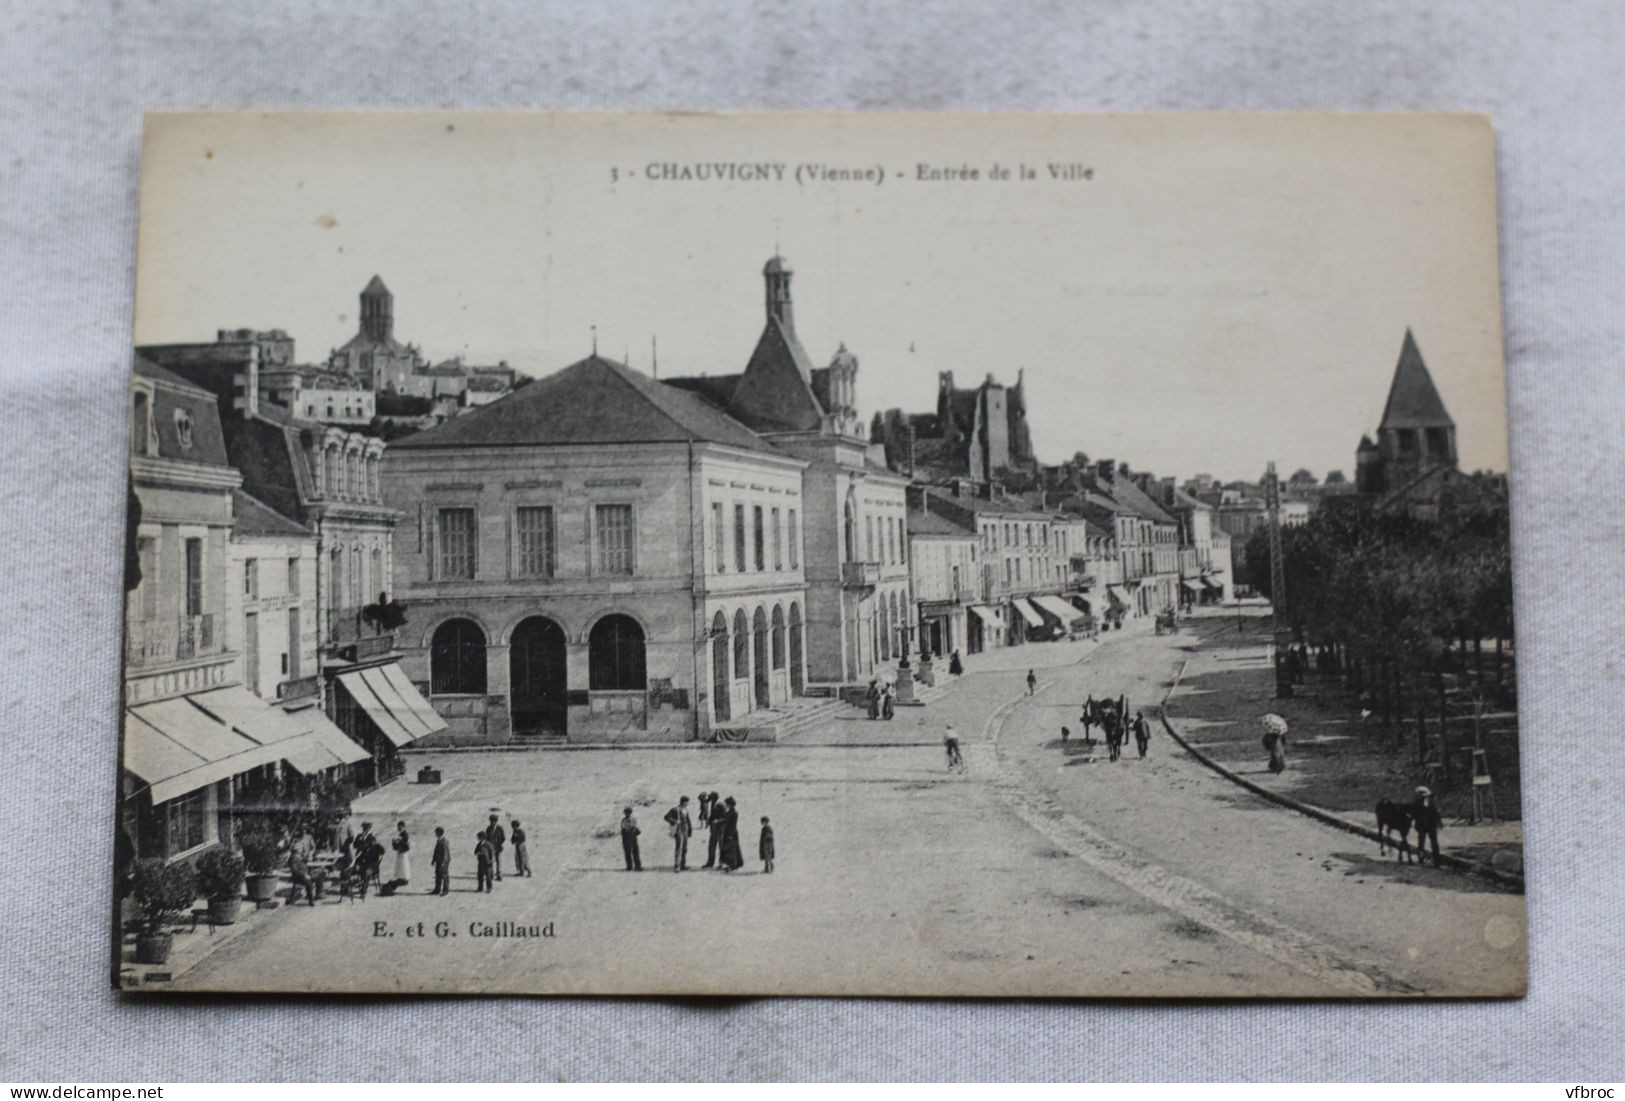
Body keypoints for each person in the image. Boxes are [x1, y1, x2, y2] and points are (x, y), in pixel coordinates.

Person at [1413, 786, 1443, 866]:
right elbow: (1414, 814)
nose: (1424, 796)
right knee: (1421, 842)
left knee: (1434, 842)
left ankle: (1437, 860)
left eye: (1425, 795)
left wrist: (1439, 823)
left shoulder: (1431, 803)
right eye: (1421, 795)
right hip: (1421, 825)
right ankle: (1421, 858)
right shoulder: (1416, 803)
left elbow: (1435, 813)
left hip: (1431, 824)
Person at [665, 796, 693, 872]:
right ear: (683, 802)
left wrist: (690, 830)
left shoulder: (686, 810)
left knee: (684, 848)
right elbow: (666, 817)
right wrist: (675, 821)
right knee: (679, 848)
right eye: (687, 802)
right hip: (678, 831)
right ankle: (677, 866)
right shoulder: (675, 809)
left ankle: (683, 865)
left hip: (685, 831)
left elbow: (688, 820)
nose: (688, 803)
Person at [718, 796, 744, 872]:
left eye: (727, 804)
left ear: (730, 804)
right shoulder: (731, 812)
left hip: (731, 833)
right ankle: (733, 864)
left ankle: (732, 865)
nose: (726, 805)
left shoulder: (733, 813)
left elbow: (731, 824)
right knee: (730, 849)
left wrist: (730, 835)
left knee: (731, 849)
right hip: (730, 832)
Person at [704, 790, 723, 869]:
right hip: (713, 830)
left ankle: (722, 864)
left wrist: (718, 821)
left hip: (721, 830)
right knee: (711, 847)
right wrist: (708, 821)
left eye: (711, 798)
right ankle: (710, 863)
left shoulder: (721, 805)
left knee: (721, 847)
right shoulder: (712, 804)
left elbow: (726, 817)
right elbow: (712, 815)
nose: (710, 799)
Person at [390, 821, 411, 890]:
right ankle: (401, 878)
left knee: (403, 865)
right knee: (400, 865)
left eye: (399, 826)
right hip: (400, 852)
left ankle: (404, 879)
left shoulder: (405, 834)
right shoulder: (402, 834)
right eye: (398, 826)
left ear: (403, 826)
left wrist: (397, 842)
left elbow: (405, 844)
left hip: (403, 852)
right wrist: (395, 842)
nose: (398, 828)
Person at [619, 807, 642, 871]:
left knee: (634, 852)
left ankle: (637, 866)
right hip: (627, 837)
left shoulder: (633, 819)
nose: (627, 814)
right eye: (626, 813)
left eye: (628, 813)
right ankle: (630, 867)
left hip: (632, 837)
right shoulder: (624, 820)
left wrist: (633, 829)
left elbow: (636, 827)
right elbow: (623, 828)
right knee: (628, 853)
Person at [431, 826, 451, 896]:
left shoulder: (444, 841)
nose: (435, 834)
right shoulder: (439, 840)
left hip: (443, 862)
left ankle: (445, 890)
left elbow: (445, 853)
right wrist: (433, 860)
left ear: (439, 833)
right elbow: (435, 851)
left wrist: (444, 862)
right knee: (438, 875)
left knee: (444, 875)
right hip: (438, 861)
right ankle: (437, 889)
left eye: (436, 833)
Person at [485, 815, 506, 881]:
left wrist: (499, 843)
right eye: (491, 821)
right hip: (490, 848)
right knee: (491, 861)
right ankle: (490, 875)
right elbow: (486, 837)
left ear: (496, 821)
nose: (491, 822)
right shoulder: (488, 828)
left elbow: (503, 838)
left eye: (493, 821)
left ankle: (499, 875)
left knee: (498, 862)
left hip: (498, 847)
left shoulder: (500, 828)